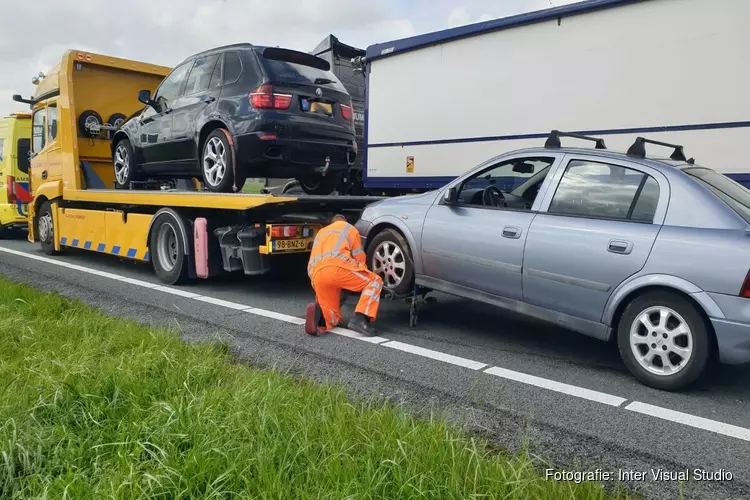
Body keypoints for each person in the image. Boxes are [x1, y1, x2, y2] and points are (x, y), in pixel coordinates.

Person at [305, 214, 383, 336]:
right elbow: (359, 257)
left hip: (316, 275)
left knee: (333, 315)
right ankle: (361, 317)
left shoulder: (321, 232)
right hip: (337, 268)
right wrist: (364, 275)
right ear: (344, 221)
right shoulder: (349, 228)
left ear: (332, 222)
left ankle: (321, 318)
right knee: (374, 281)